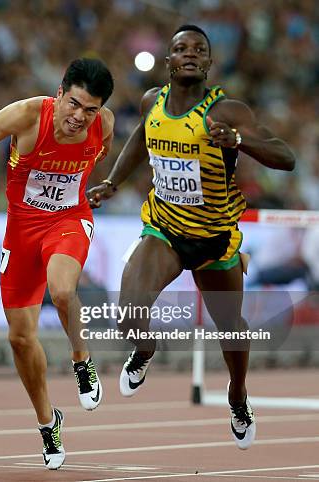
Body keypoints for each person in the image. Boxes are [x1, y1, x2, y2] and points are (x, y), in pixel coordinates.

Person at [87, 25, 295, 450]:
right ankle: (146, 350)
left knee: (231, 329)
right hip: (164, 229)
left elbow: (285, 156)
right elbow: (142, 139)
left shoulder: (227, 111)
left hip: (215, 238)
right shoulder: (152, 102)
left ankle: (238, 395)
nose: (189, 54)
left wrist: (239, 141)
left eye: (199, 49)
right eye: (180, 48)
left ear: (209, 63)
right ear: (168, 60)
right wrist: (112, 182)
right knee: (128, 314)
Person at [0, 58, 115, 469]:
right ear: (60, 92)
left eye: (90, 110)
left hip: (68, 220)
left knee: (62, 290)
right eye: (74, 104)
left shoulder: (105, 125)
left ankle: (81, 359)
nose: (79, 118)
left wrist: (89, 188)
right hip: (22, 232)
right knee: (20, 338)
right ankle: (49, 422)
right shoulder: (28, 114)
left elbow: (97, 157)